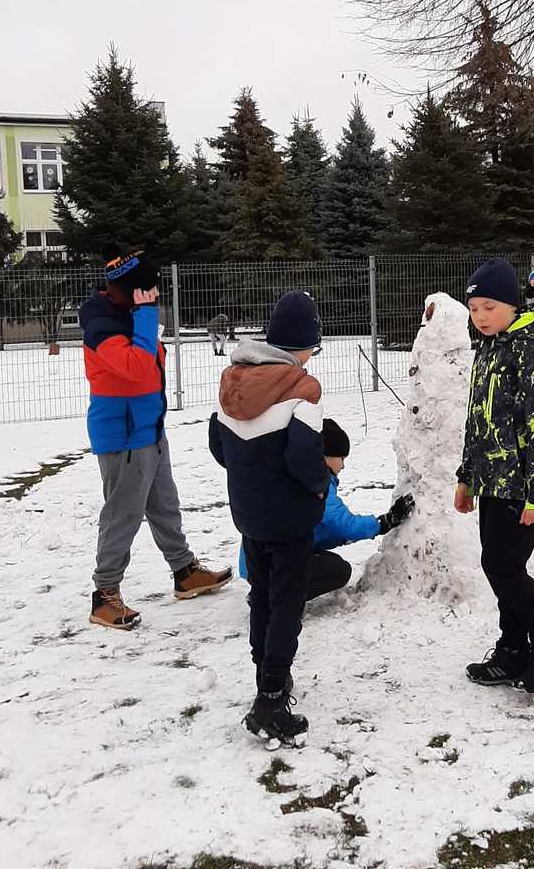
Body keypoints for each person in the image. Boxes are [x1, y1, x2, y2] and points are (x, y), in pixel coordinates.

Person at [81, 247, 232, 631]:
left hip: (148, 429)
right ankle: (105, 594)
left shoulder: (127, 316)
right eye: (147, 292)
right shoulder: (103, 325)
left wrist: (143, 314)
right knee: (123, 514)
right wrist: (147, 314)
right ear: (131, 291)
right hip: (124, 435)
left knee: (165, 505)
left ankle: (184, 572)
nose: (153, 297)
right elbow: (136, 368)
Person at [208, 291, 329, 748]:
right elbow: (304, 456)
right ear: (307, 344)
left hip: (249, 514)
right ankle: (272, 698)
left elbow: (218, 445)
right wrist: (319, 487)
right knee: (287, 604)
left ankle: (265, 675)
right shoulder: (303, 389)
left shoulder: (232, 381)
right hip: (291, 517)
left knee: (261, 596)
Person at [455, 257, 534, 693]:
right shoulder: (489, 349)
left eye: (489, 307)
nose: (481, 316)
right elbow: (477, 421)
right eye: (474, 309)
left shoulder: (530, 351)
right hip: (492, 481)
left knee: (503, 565)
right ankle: (513, 649)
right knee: (502, 565)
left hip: (523, 484)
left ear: (512, 305)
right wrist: (466, 477)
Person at [234, 417, 416, 600]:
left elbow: (318, 531)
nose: (343, 465)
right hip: (271, 562)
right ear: (325, 454)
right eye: (341, 458)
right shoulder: (315, 483)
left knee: (328, 561)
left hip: (256, 561)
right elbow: (342, 523)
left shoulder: (291, 472)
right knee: (338, 570)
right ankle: (272, 597)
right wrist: (384, 523)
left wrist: (347, 537)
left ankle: (267, 590)